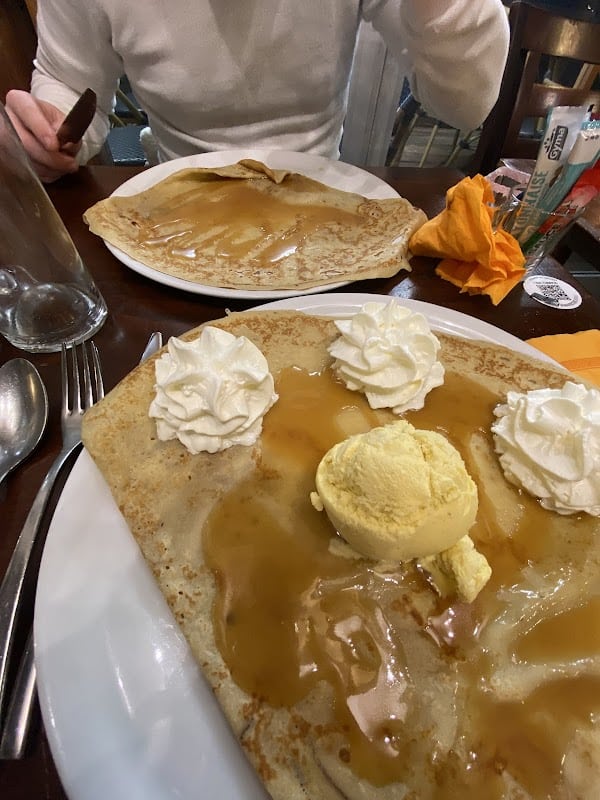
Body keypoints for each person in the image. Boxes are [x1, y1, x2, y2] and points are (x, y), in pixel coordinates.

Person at [5, 0, 510, 183]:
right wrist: (49, 127)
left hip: (321, 198)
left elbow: (466, 105)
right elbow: (69, 80)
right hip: (175, 206)